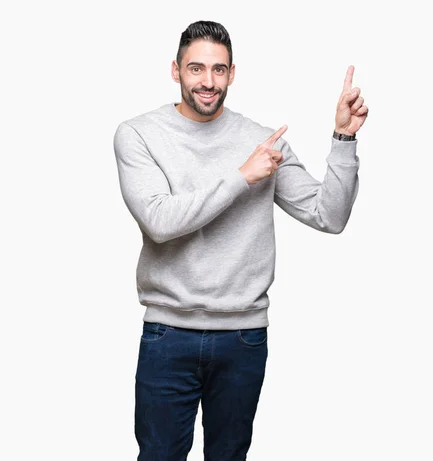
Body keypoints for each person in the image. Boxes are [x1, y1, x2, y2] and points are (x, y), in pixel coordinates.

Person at [113, 19, 368, 461]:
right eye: (196, 69)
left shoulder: (261, 141)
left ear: (232, 74)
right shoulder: (139, 134)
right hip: (168, 333)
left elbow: (329, 216)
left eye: (218, 70)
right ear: (176, 71)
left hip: (243, 337)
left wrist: (343, 138)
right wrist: (241, 177)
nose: (207, 82)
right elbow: (158, 220)